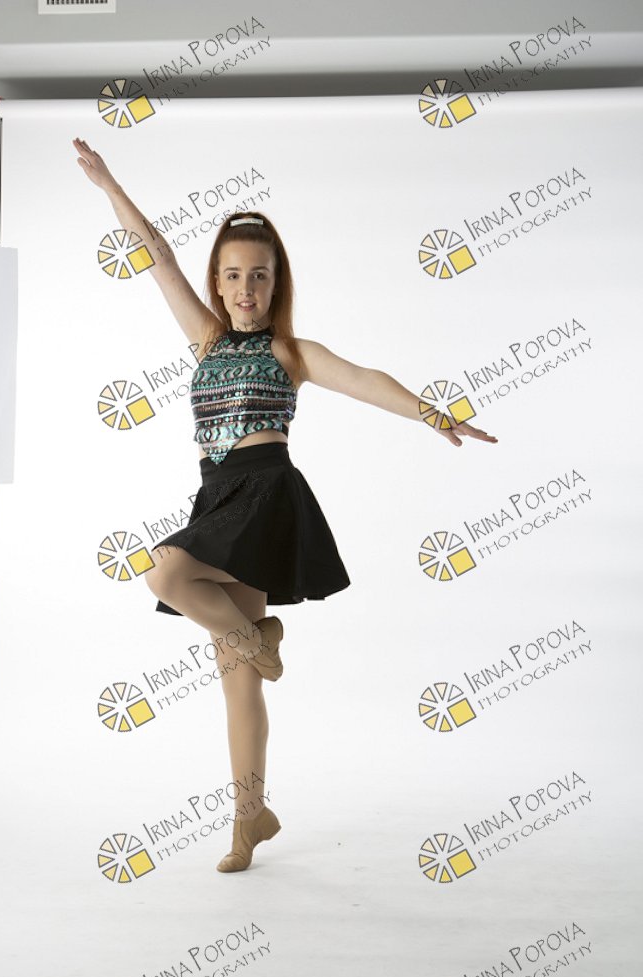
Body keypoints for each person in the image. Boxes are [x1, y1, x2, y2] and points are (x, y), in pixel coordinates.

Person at [73, 137, 498, 875]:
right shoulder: (205, 340)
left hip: (267, 494)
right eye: (233, 275)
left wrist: (432, 413)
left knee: (165, 573)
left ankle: (257, 642)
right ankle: (252, 816)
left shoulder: (290, 353)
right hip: (217, 497)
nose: (246, 288)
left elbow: (365, 377)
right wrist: (110, 185)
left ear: (276, 284)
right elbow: (157, 254)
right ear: (217, 281)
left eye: (260, 276)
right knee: (236, 679)